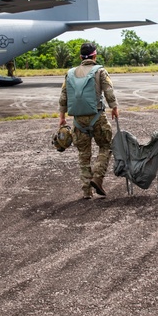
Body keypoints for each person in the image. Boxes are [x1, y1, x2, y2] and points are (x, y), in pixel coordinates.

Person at [58, 42, 119, 199]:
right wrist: (114, 107)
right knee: (106, 146)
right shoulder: (100, 71)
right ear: (94, 56)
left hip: (78, 120)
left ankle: (86, 191)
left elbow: (64, 96)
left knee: (83, 154)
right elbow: (109, 91)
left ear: (80, 57)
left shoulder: (70, 73)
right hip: (97, 117)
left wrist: (62, 117)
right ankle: (97, 177)